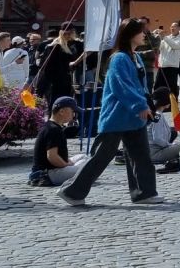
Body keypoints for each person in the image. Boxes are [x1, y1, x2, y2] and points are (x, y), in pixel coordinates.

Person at [58, 19, 162, 207]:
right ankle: (72, 191)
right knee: (102, 156)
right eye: (141, 32)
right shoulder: (119, 58)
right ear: (131, 35)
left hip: (134, 118)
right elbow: (122, 86)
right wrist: (140, 105)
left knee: (141, 156)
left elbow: (140, 84)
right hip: (117, 116)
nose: (144, 35)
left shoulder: (135, 57)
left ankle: (144, 193)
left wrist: (147, 104)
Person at [29, 96, 86, 187]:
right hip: (48, 174)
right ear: (61, 111)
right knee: (87, 168)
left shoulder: (50, 126)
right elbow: (52, 156)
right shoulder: (53, 130)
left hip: (49, 170)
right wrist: (67, 164)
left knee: (84, 157)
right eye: (72, 111)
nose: (74, 115)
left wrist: (68, 161)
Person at [145, 91, 180, 170]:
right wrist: (169, 145)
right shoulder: (158, 115)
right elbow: (157, 138)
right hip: (155, 153)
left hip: (151, 150)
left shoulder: (156, 113)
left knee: (173, 131)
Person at [157, 20, 180, 101]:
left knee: (172, 86)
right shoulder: (167, 37)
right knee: (158, 86)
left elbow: (175, 46)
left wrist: (164, 37)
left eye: (174, 26)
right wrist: (157, 37)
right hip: (162, 65)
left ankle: (174, 104)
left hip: (172, 65)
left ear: (179, 28)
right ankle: (160, 103)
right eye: (171, 26)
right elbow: (159, 48)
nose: (172, 28)